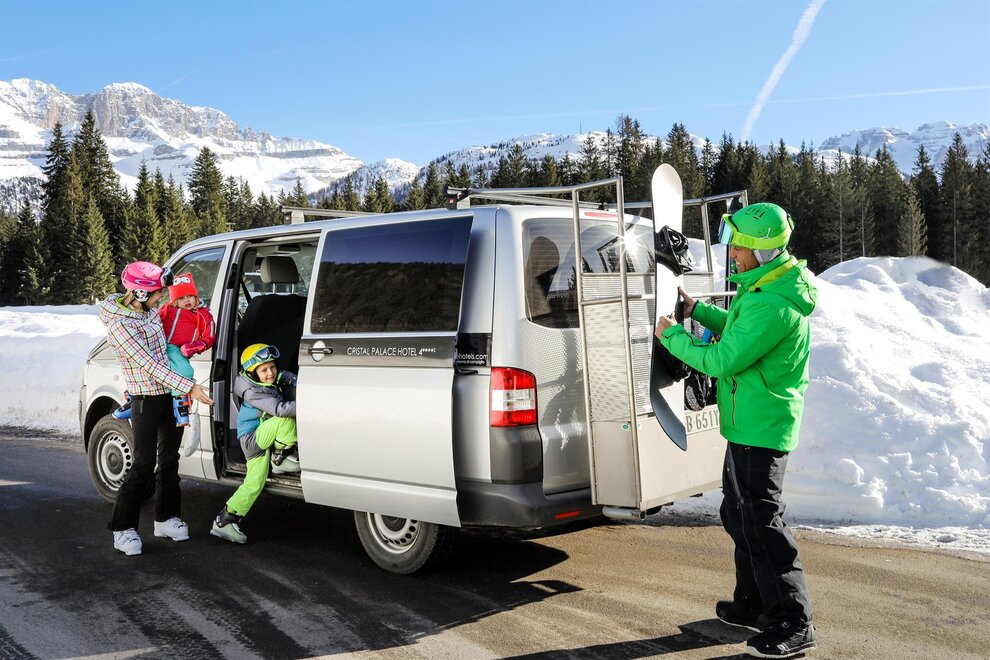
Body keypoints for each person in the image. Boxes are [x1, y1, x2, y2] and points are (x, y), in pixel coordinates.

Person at [654, 203, 818, 659]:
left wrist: (671, 335)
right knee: (738, 513)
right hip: (747, 424)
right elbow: (738, 329)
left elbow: (723, 359)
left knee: (762, 522)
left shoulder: (772, 303)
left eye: (739, 247)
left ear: (760, 252)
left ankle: (793, 622)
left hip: (761, 428)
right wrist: (699, 311)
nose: (732, 254)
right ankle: (754, 603)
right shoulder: (766, 289)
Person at [100, 261, 214, 556]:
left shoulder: (150, 313)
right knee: (142, 465)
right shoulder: (121, 326)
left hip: (170, 395)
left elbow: (169, 347)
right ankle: (123, 529)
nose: (162, 298)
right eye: (157, 293)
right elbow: (149, 365)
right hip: (145, 399)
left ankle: (166, 518)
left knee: (169, 461)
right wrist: (190, 386)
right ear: (139, 293)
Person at [211, 343, 300, 544]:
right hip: (252, 439)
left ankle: (225, 521)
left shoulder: (260, 382)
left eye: (272, 367)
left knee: (254, 483)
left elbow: (281, 376)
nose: (270, 373)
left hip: (258, 437)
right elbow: (279, 409)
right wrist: (309, 403)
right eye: (264, 370)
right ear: (253, 373)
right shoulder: (253, 392)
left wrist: (290, 378)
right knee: (284, 420)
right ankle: (280, 459)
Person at [158, 272, 216, 426]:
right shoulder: (167, 310)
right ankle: (132, 400)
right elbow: (154, 321)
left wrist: (195, 347)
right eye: (182, 298)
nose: (187, 300)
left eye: (190, 296)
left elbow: (209, 336)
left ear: (196, 296)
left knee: (185, 371)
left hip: (176, 349)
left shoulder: (203, 315)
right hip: (159, 346)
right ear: (175, 300)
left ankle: (181, 405)